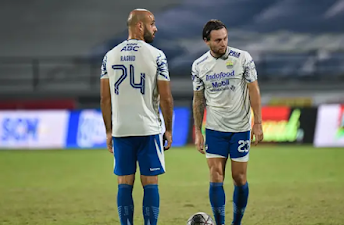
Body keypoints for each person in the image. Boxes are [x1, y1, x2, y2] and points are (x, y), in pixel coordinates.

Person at [100, 8, 173, 225]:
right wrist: (168, 129)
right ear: (139, 26)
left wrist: (109, 131)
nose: (155, 28)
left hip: (122, 130)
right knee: (150, 182)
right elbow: (166, 97)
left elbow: (105, 99)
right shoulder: (157, 55)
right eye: (152, 23)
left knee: (124, 182)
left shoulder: (109, 56)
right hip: (148, 129)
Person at [191, 19, 264, 225]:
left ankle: (236, 223)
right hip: (214, 129)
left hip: (240, 129)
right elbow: (198, 99)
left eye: (225, 39)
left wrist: (257, 122)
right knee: (215, 175)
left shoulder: (243, 58)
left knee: (239, 178)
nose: (223, 43)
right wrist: (198, 131)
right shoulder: (199, 66)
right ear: (207, 41)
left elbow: (253, 89)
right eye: (218, 40)